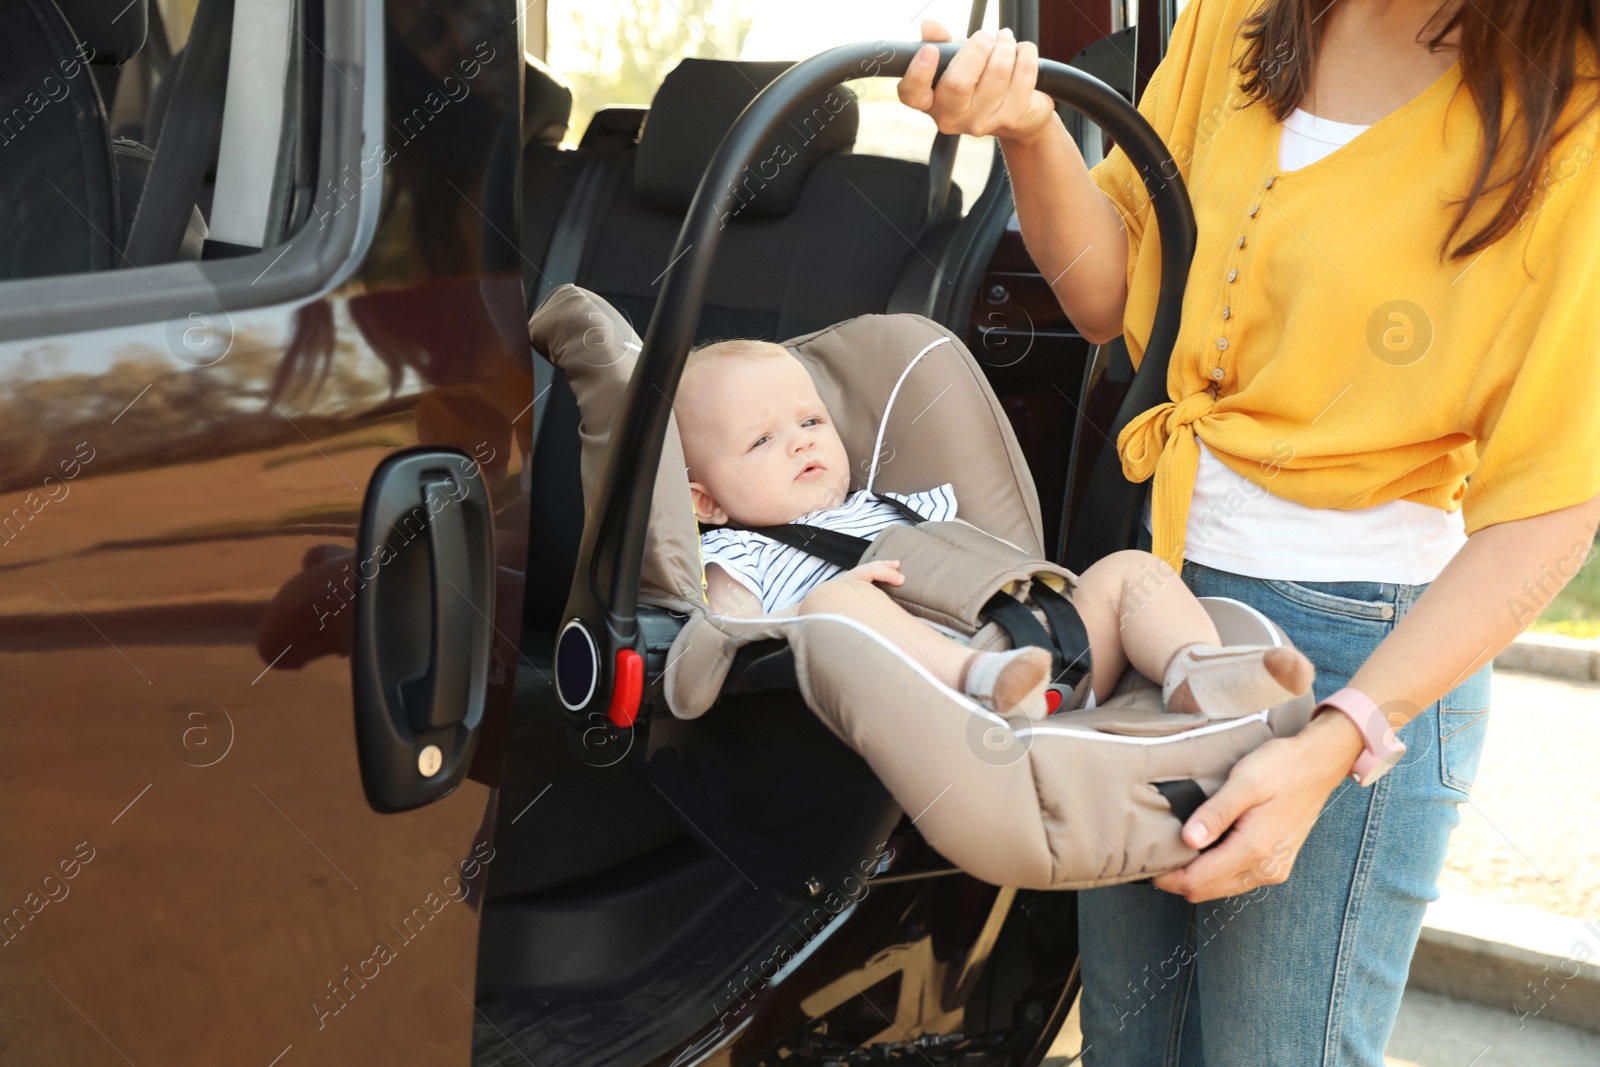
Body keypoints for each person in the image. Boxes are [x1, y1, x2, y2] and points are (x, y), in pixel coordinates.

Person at [897, 1, 1600, 1063]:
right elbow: (1113, 296)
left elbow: (1551, 506)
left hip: (1359, 649)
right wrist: (1033, 128)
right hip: (1163, 610)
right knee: (1132, 1050)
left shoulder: (1571, 121)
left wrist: (1337, 739)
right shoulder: (1241, 19)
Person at [673, 337, 1315, 721]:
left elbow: (987, 564)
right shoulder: (738, 550)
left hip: (1047, 649)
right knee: (837, 598)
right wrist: (827, 614)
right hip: (931, 698)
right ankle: (982, 682)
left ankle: (1191, 670)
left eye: (810, 422)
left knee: (1129, 573)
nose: (797, 444)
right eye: (761, 441)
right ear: (706, 503)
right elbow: (721, 638)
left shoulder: (898, 504)